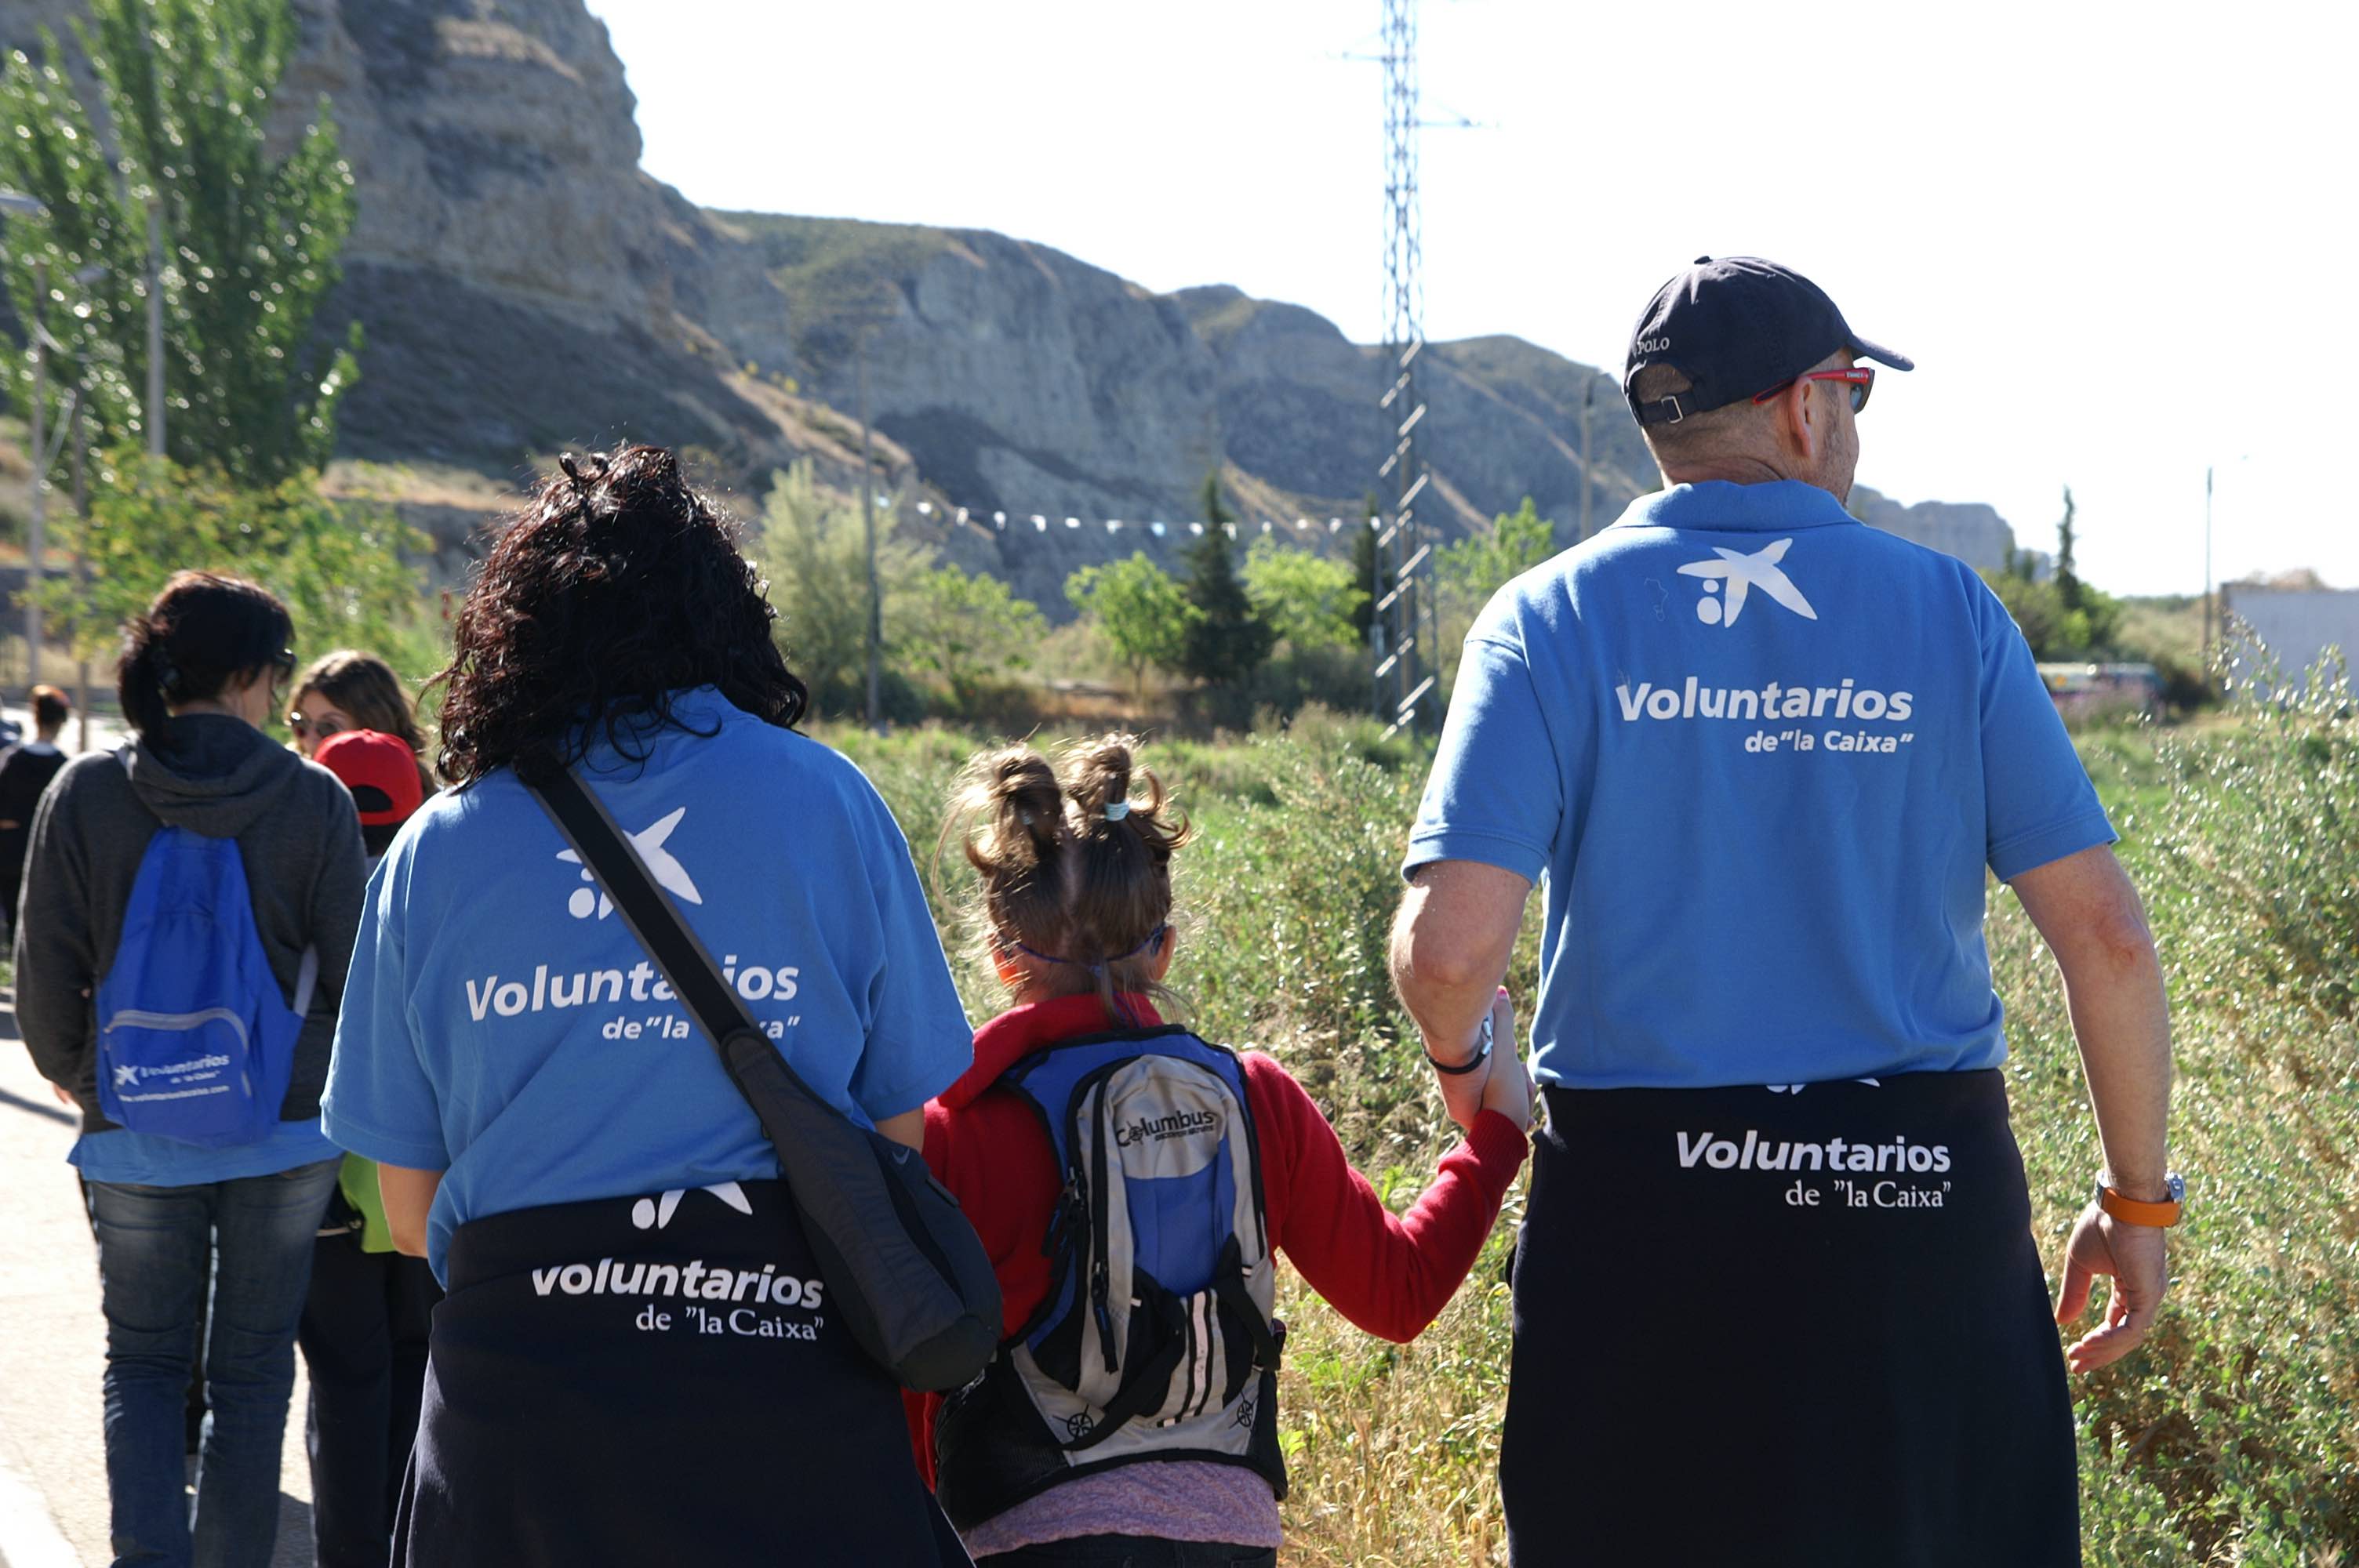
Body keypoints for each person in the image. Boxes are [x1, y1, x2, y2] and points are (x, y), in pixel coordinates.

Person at [1390, 256, 2177, 1566]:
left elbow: (1447, 950)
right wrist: (2135, 1205)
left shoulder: (1545, 618)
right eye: (1856, 395)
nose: (1856, 429)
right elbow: (2106, 937)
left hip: (1638, 1213)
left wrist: (1468, 1070)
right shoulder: (1948, 612)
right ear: (1806, 407)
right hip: (1915, 1209)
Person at [321, 445, 976, 1566]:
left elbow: (414, 1207)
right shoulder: (831, 803)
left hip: (519, 1432)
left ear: (511, 632)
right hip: (788, 1399)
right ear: (724, 615)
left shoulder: (436, 849)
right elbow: (898, 1137)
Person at [911, 735, 1532, 1565]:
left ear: (999, 956)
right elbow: (1399, 1293)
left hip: (1025, 1536)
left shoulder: (956, 1128)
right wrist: (1495, 1134)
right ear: (1163, 946)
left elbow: (910, 1373)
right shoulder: (1255, 1096)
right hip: (1226, 1537)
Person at [14, 572, 367, 1568]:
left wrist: (88, 1080)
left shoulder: (86, 790)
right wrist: (302, 1076)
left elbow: (45, 967)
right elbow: (353, 976)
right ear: (254, 673)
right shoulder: (313, 797)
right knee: (253, 1377)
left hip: (134, 1130)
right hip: (286, 1131)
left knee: (144, 1363)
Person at [297, 729, 441, 1568]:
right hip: (420, 1184)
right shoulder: (432, 881)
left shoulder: (296, 867)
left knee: (345, 1382)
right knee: (418, 1372)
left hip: (321, 1183)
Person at [287, 649, 434, 796]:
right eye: (300, 723)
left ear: (373, 730)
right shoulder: (286, 782)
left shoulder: (423, 807)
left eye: (327, 728)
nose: (309, 740)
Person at [0, 684, 74, 942]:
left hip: (11, 851)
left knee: (14, 922)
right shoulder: (65, 766)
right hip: (49, 854)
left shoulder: (13, 761)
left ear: (34, 716)